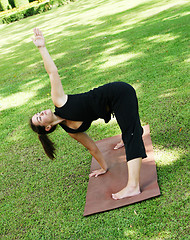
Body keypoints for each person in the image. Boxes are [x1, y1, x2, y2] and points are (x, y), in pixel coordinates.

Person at [30, 28, 147, 200]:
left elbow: (52, 72)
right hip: (111, 105)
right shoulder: (72, 131)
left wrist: (42, 48)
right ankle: (129, 134)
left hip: (119, 93)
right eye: (39, 117)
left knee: (132, 134)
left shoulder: (59, 101)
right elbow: (92, 147)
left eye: (38, 112)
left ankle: (133, 186)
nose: (41, 112)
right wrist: (103, 167)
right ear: (47, 127)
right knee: (130, 129)